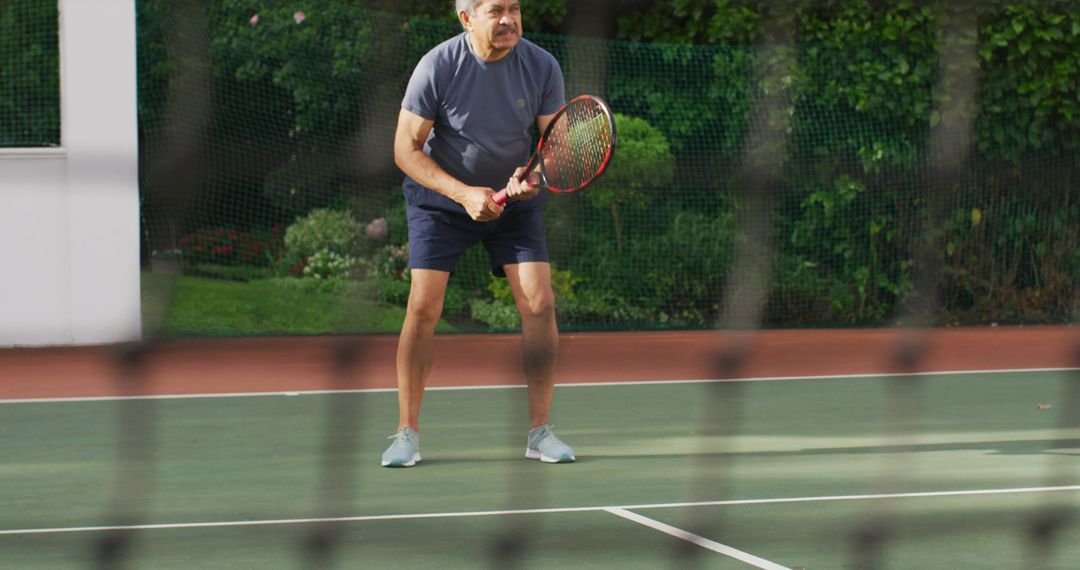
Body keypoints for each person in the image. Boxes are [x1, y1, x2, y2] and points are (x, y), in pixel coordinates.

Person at [381, 0, 575, 467]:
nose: (508, 19)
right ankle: (406, 433)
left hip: (513, 206)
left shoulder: (542, 65)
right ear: (467, 18)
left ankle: (540, 432)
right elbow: (405, 150)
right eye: (494, 10)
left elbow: (560, 147)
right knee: (424, 305)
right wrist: (464, 194)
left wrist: (532, 178)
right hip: (441, 201)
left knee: (540, 302)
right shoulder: (438, 65)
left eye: (514, 8)